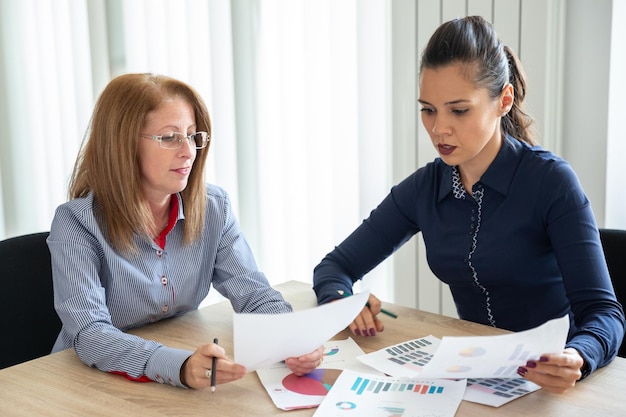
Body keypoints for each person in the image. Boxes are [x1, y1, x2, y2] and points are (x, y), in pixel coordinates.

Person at [313, 16, 625, 394]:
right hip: (477, 379)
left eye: (458, 110)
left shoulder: (551, 183)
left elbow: (604, 314)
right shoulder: (425, 187)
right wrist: (343, 300)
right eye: (428, 109)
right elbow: (335, 267)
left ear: (503, 101)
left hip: (554, 384)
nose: (438, 128)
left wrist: (579, 355)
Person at [48, 73, 323, 390]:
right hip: (86, 382)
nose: (189, 151)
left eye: (193, 136)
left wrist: (290, 337)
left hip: (164, 380)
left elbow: (254, 294)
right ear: (123, 146)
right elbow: (91, 333)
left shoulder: (213, 207)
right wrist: (177, 366)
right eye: (169, 137)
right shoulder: (77, 223)